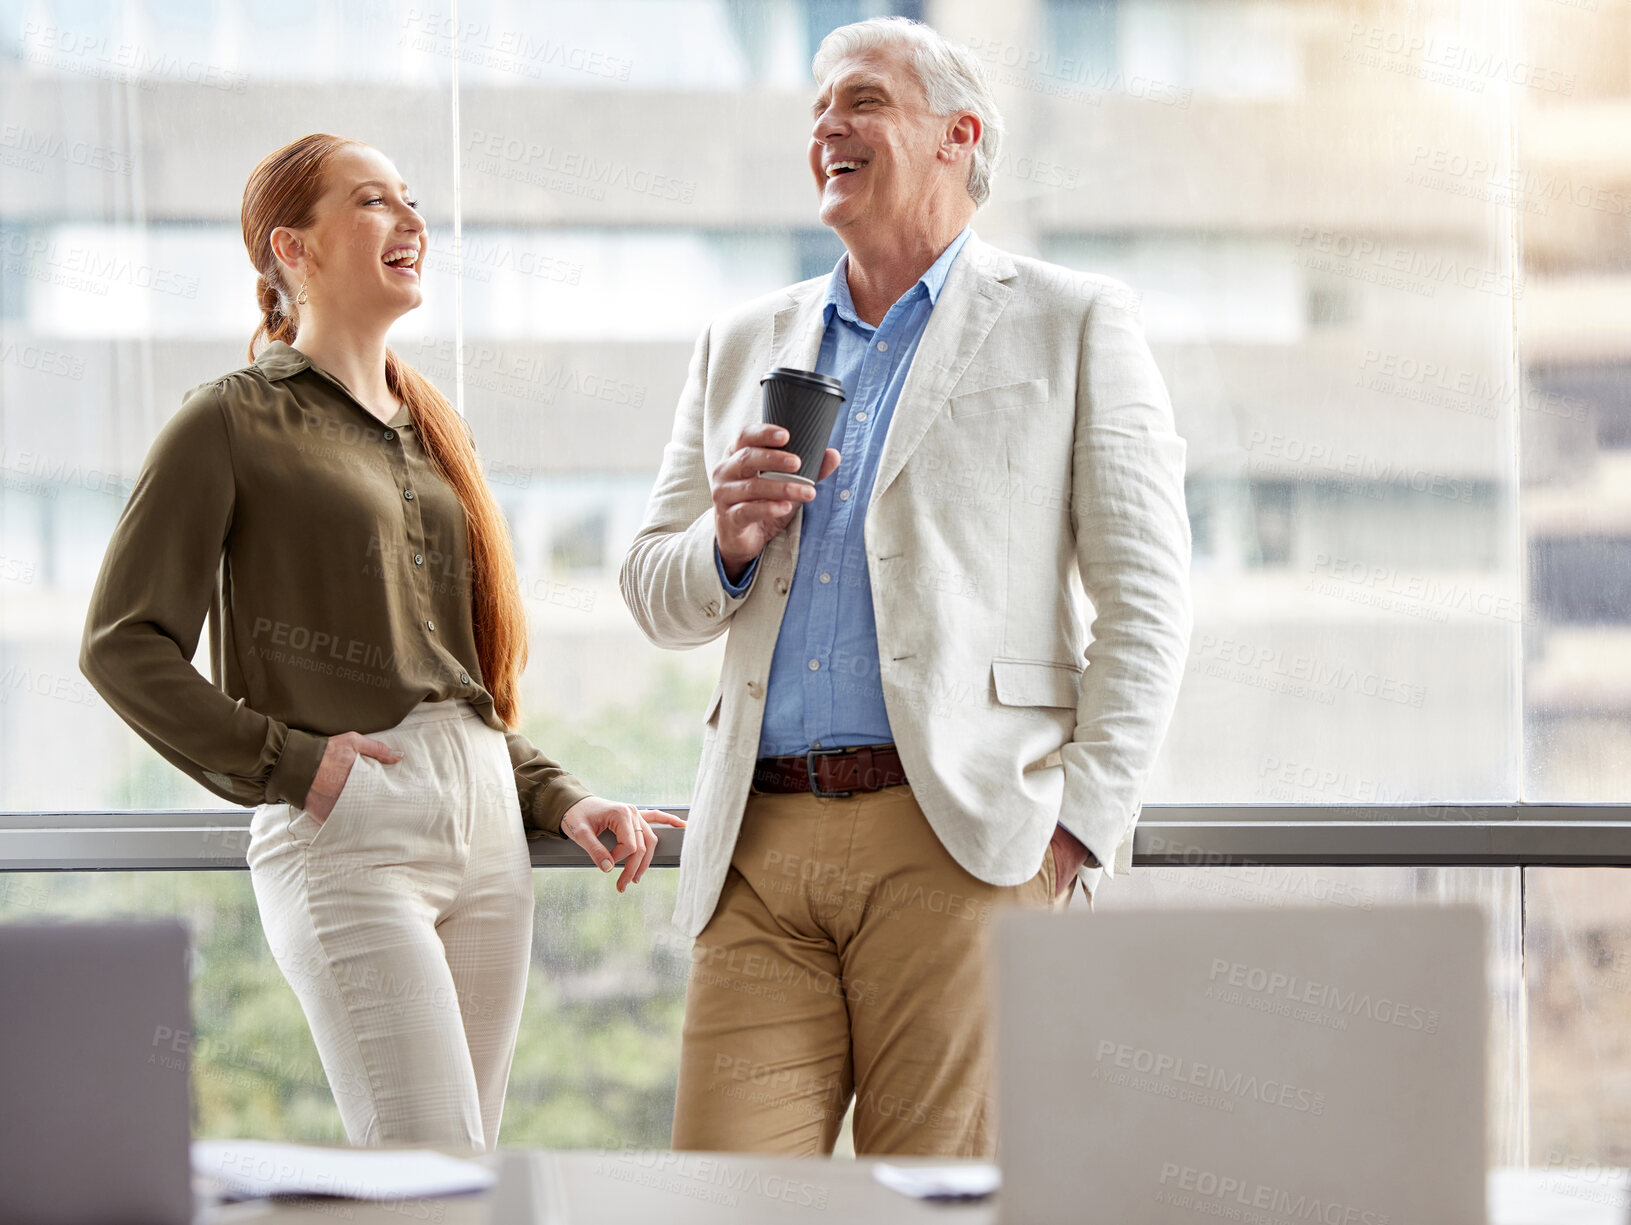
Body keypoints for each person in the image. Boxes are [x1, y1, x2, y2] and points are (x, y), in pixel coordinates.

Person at [620, 17, 1191, 1157]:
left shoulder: (1071, 320)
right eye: (818, 107)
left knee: (929, 1201)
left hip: (963, 845)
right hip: (756, 847)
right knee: (725, 1195)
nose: (827, 123)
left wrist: (1075, 827)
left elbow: (1146, 596)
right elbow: (651, 585)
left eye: (862, 100)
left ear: (956, 135)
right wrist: (726, 541)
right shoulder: (742, 340)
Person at [79, 133, 681, 1152]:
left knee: (460, 1171)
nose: (413, 222)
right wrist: (298, 766)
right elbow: (120, 643)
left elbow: (456, 682)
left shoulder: (439, 433)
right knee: (424, 1168)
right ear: (293, 249)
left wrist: (560, 796)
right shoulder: (229, 422)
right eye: (372, 203)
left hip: (490, 826)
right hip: (351, 829)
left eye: (411, 200)